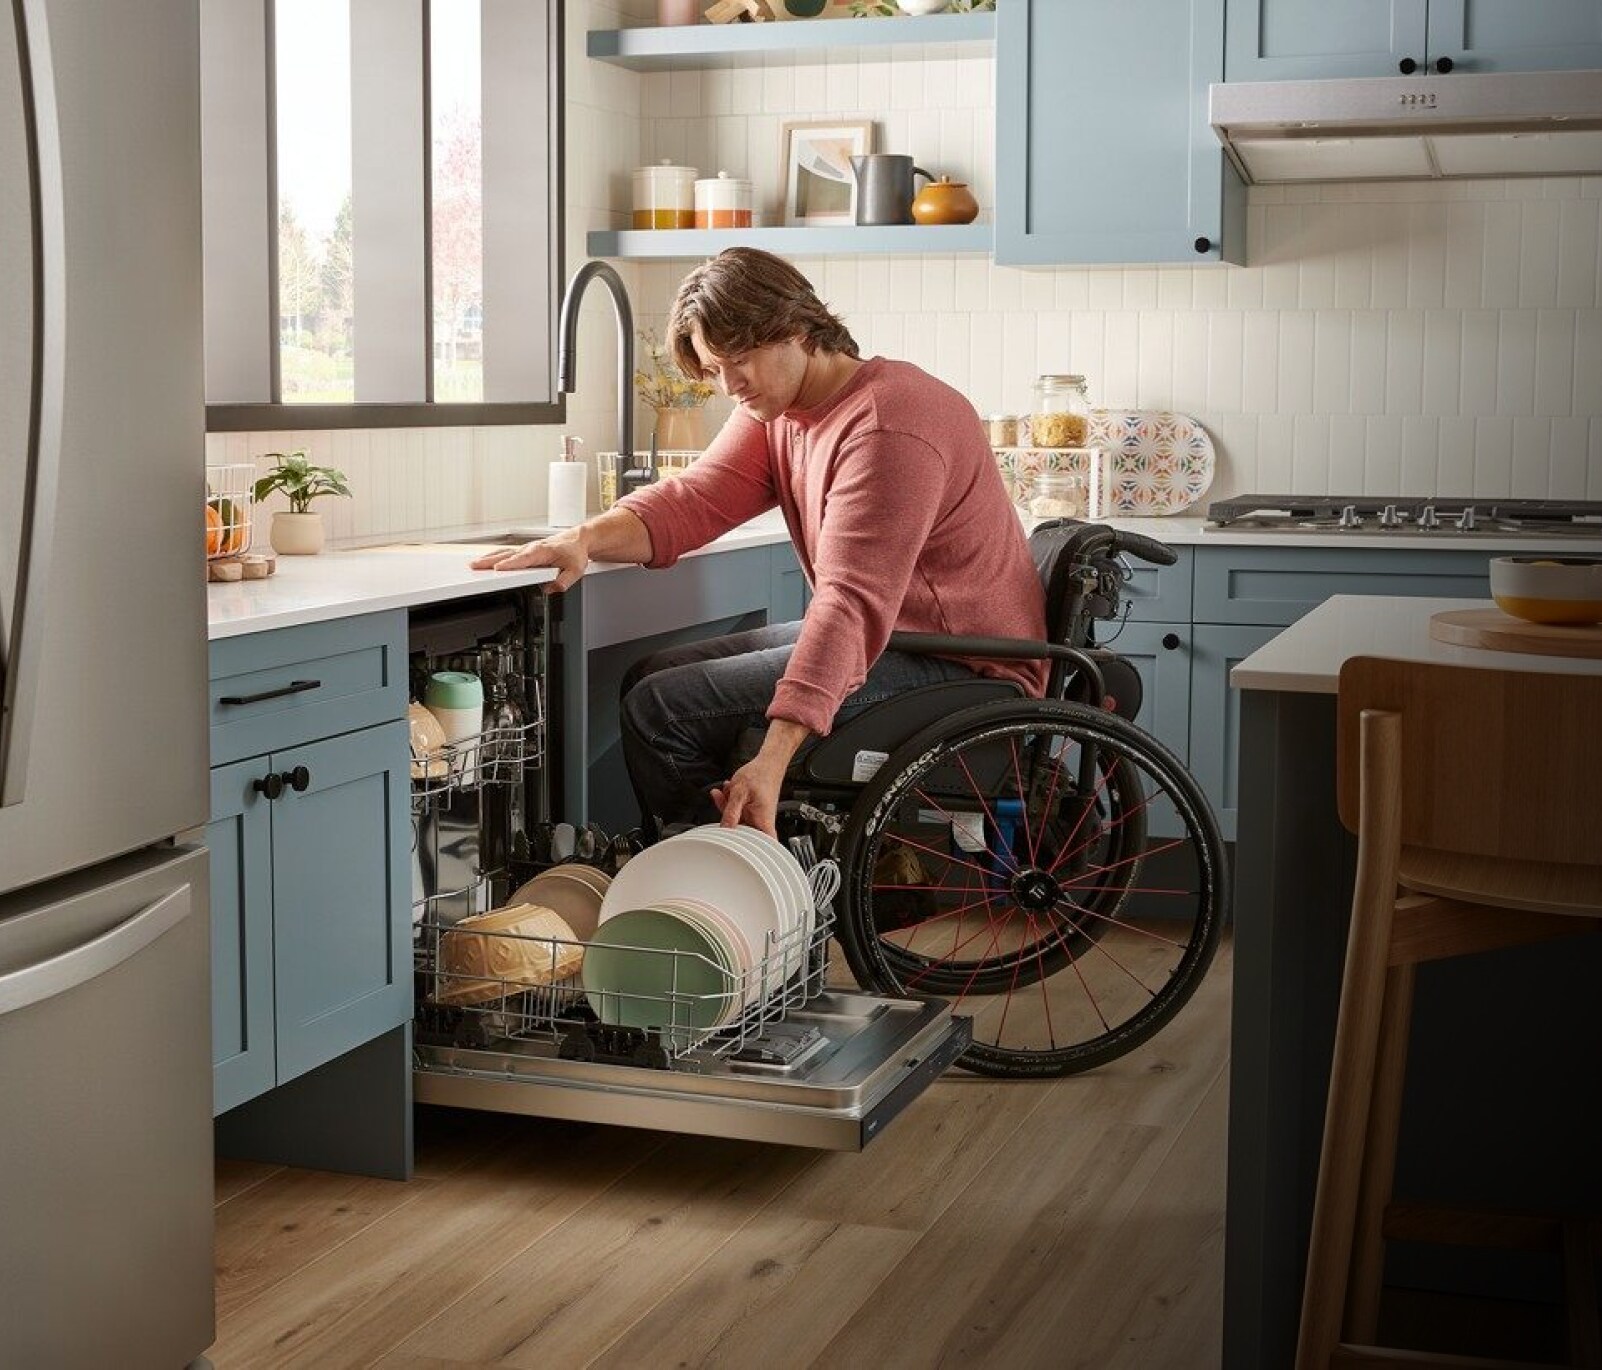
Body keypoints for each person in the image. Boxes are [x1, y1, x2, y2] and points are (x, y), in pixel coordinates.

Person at [471, 248, 1047, 838]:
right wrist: (584, 539)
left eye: (738, 361)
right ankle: (735, 872)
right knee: (649, 675)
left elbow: (849, 603)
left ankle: (730, 887)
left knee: (661, 709)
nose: (727, 386)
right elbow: (699, 498)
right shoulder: (782, 408)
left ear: (796, 328)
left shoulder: (886, 424)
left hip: (959, 662)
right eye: (714, 369)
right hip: (901, 639)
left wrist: (770, 762)